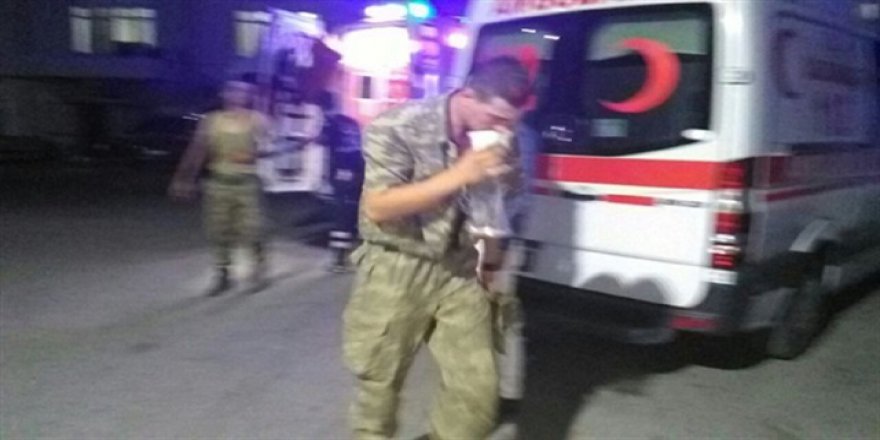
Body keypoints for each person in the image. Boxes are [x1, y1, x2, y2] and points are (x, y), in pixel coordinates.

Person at [342, 56, 531, 440]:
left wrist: (491, 261)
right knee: (380, 387)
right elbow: (378, 206)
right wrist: (461, 173)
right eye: (497, 118)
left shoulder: (499, 136)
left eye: (512, 122)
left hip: (460, 269)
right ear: (468, 96)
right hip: (398, 267)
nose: (505, 129)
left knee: (478, 391)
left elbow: (493, 202)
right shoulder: (397, 126)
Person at [169, 78, 271, 296]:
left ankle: (258, 268)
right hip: (218, 182)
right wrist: (184, 179)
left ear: (248, 96)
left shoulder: (256, 120)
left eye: (242, 91)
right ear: (223, 94)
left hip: (246, 184)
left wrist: (255, 153)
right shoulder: (211, 120)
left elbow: (266, 147)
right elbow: (197, 150)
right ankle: (223, 273)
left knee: (252, 229)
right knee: (218, 230)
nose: (237, 95)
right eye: (232, 90)